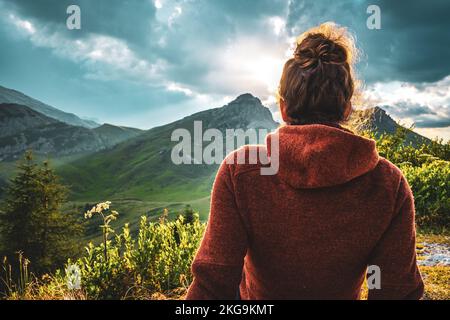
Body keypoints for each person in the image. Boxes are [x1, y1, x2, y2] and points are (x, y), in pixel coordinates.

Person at [186, 22, 424, 300]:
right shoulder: (388, 183)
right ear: (347, 109)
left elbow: (214, 284)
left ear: (284, 108)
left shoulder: (241, 171)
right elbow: (395, 292)